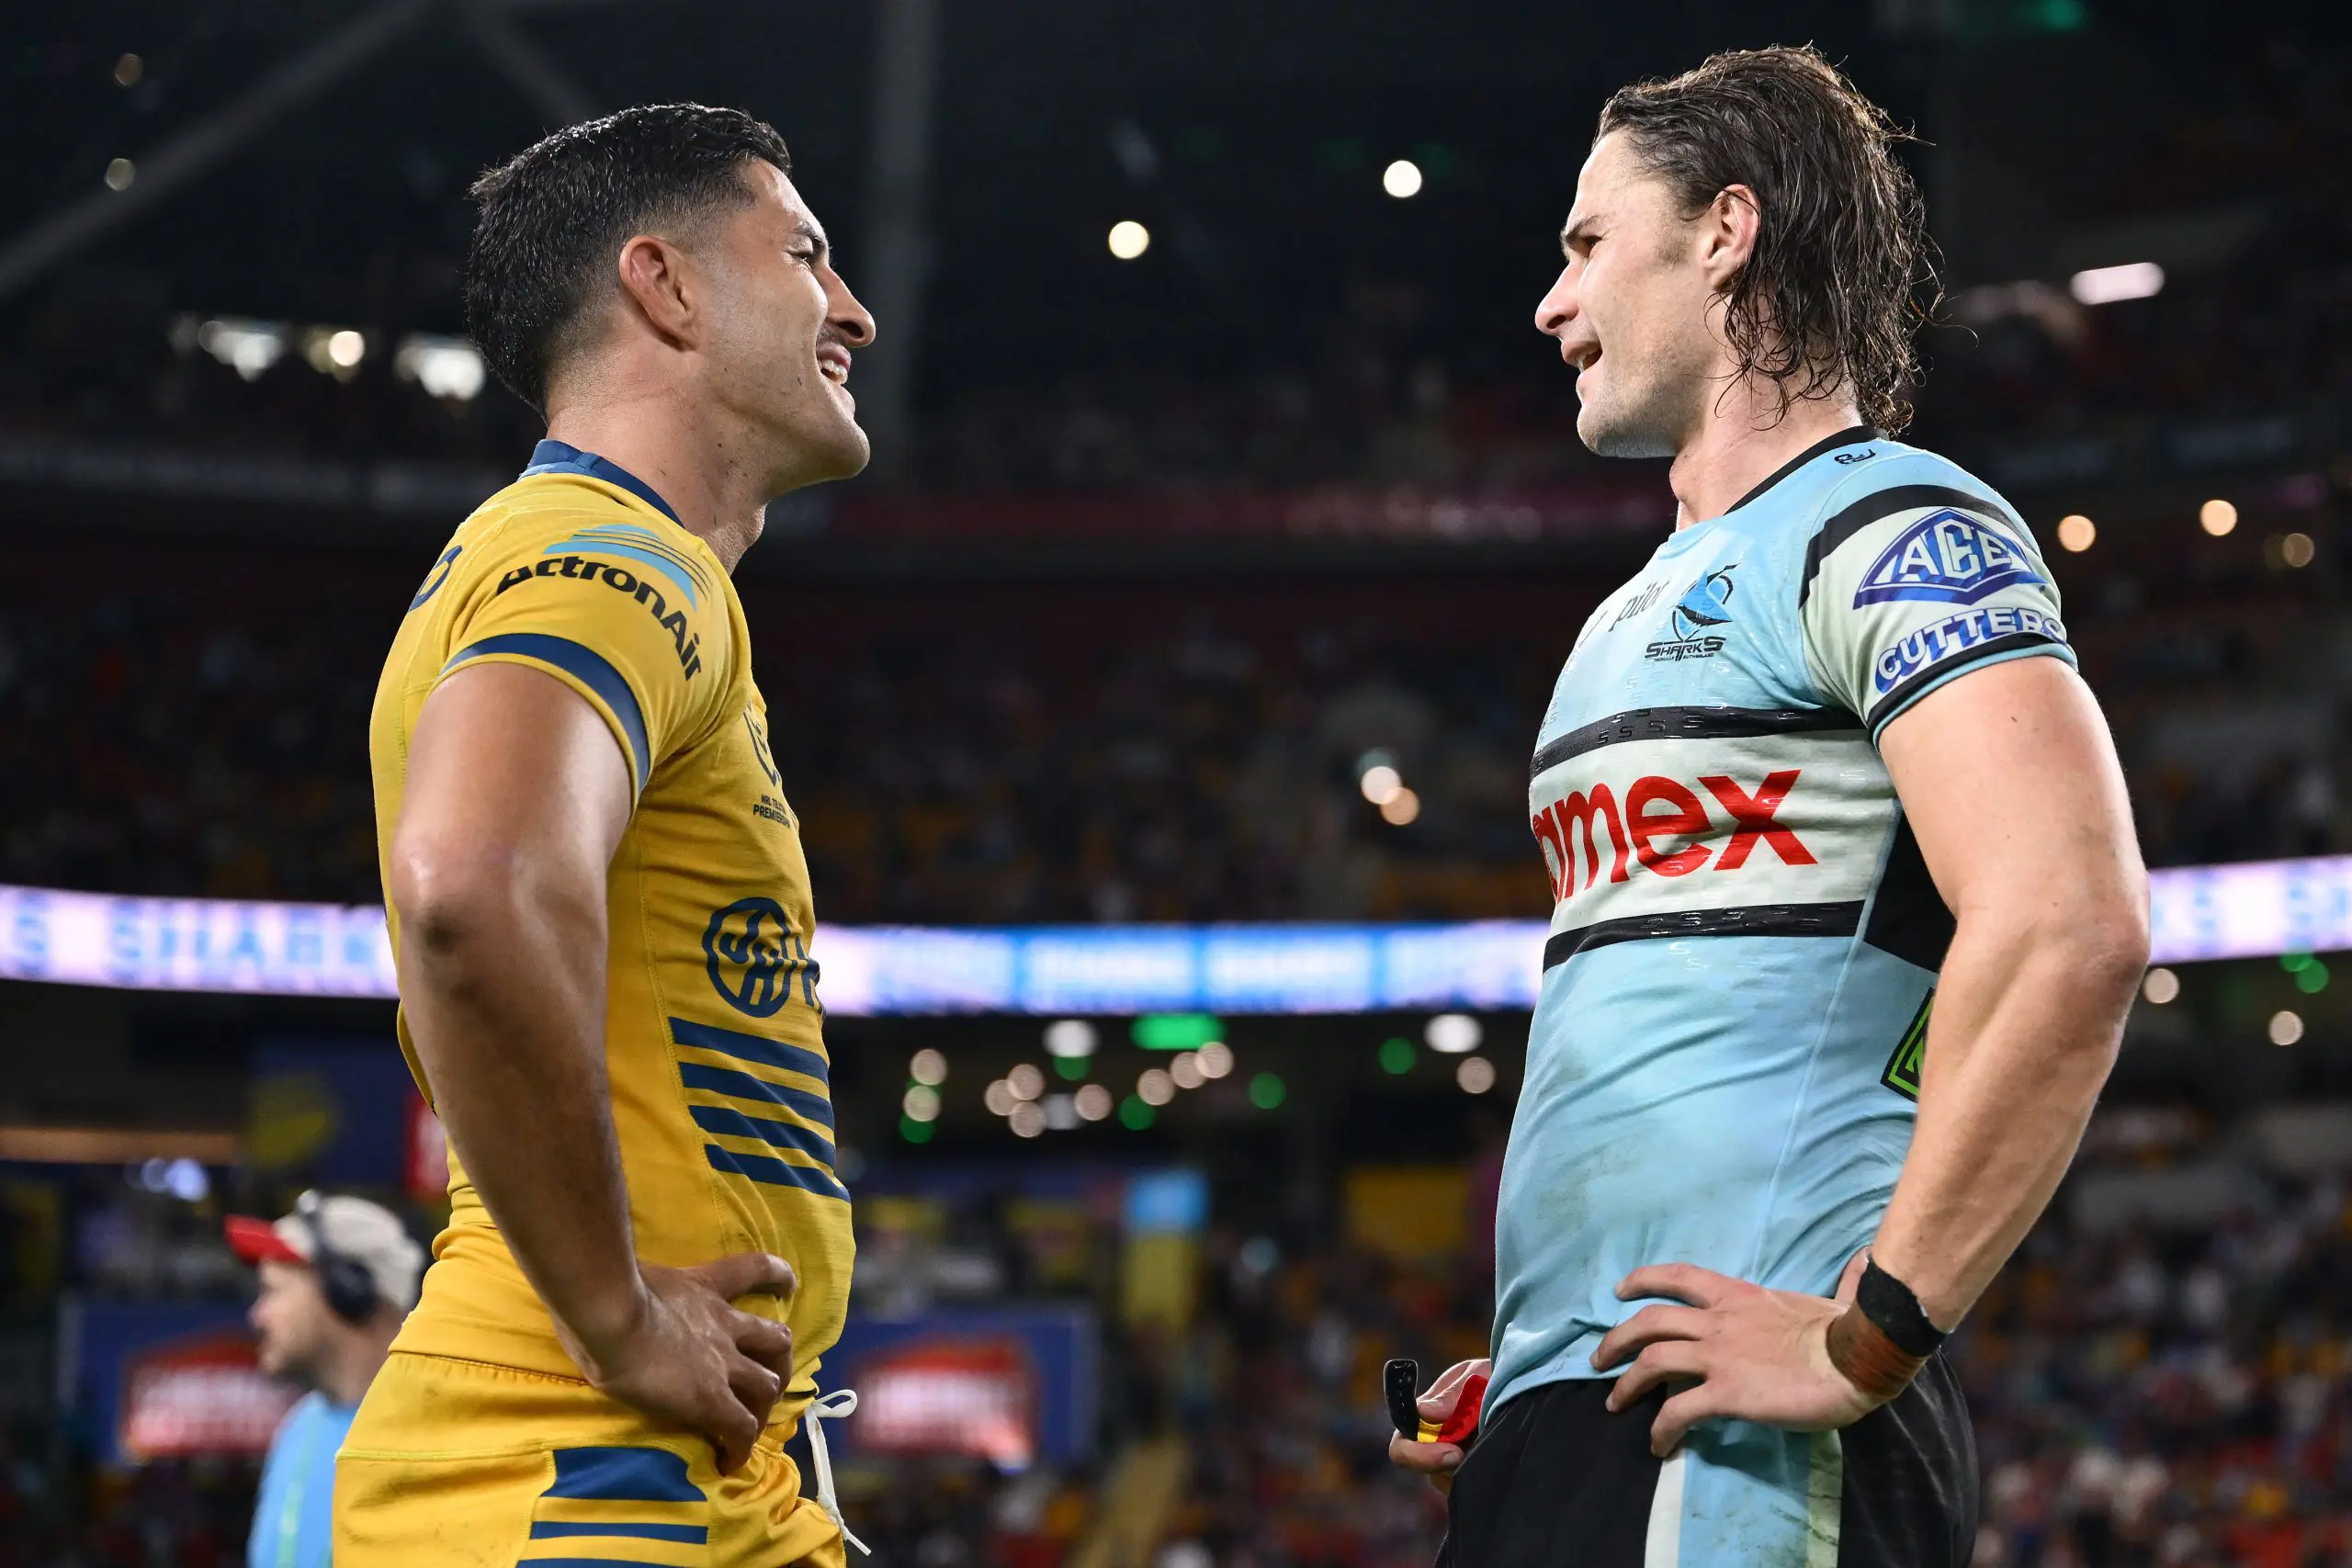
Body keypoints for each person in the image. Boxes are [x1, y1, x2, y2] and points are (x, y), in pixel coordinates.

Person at [1388, 47, 2149, 1566]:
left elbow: (2075, 921)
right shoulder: (1632, 610)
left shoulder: (1893, 522)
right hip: (1600, 1411)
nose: (1553, 302)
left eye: (1588, 243)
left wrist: (1866, 1336)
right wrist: (1541, 1373)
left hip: (1755, 1441)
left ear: (1727, 230)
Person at [342, 104, 876, 1565]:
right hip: (577, 1469)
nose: (857, 311)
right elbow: (471, 883)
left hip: (657, 1463)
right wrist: (620, 1315)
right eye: (809, 254)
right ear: (665, 285)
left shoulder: (590, 560)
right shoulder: (613, 555)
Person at [227, 1192, 427, 1568]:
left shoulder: (438, 1437)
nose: (258, 1316)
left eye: (273, 1291)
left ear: (349, 1291)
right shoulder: (297, 1429)